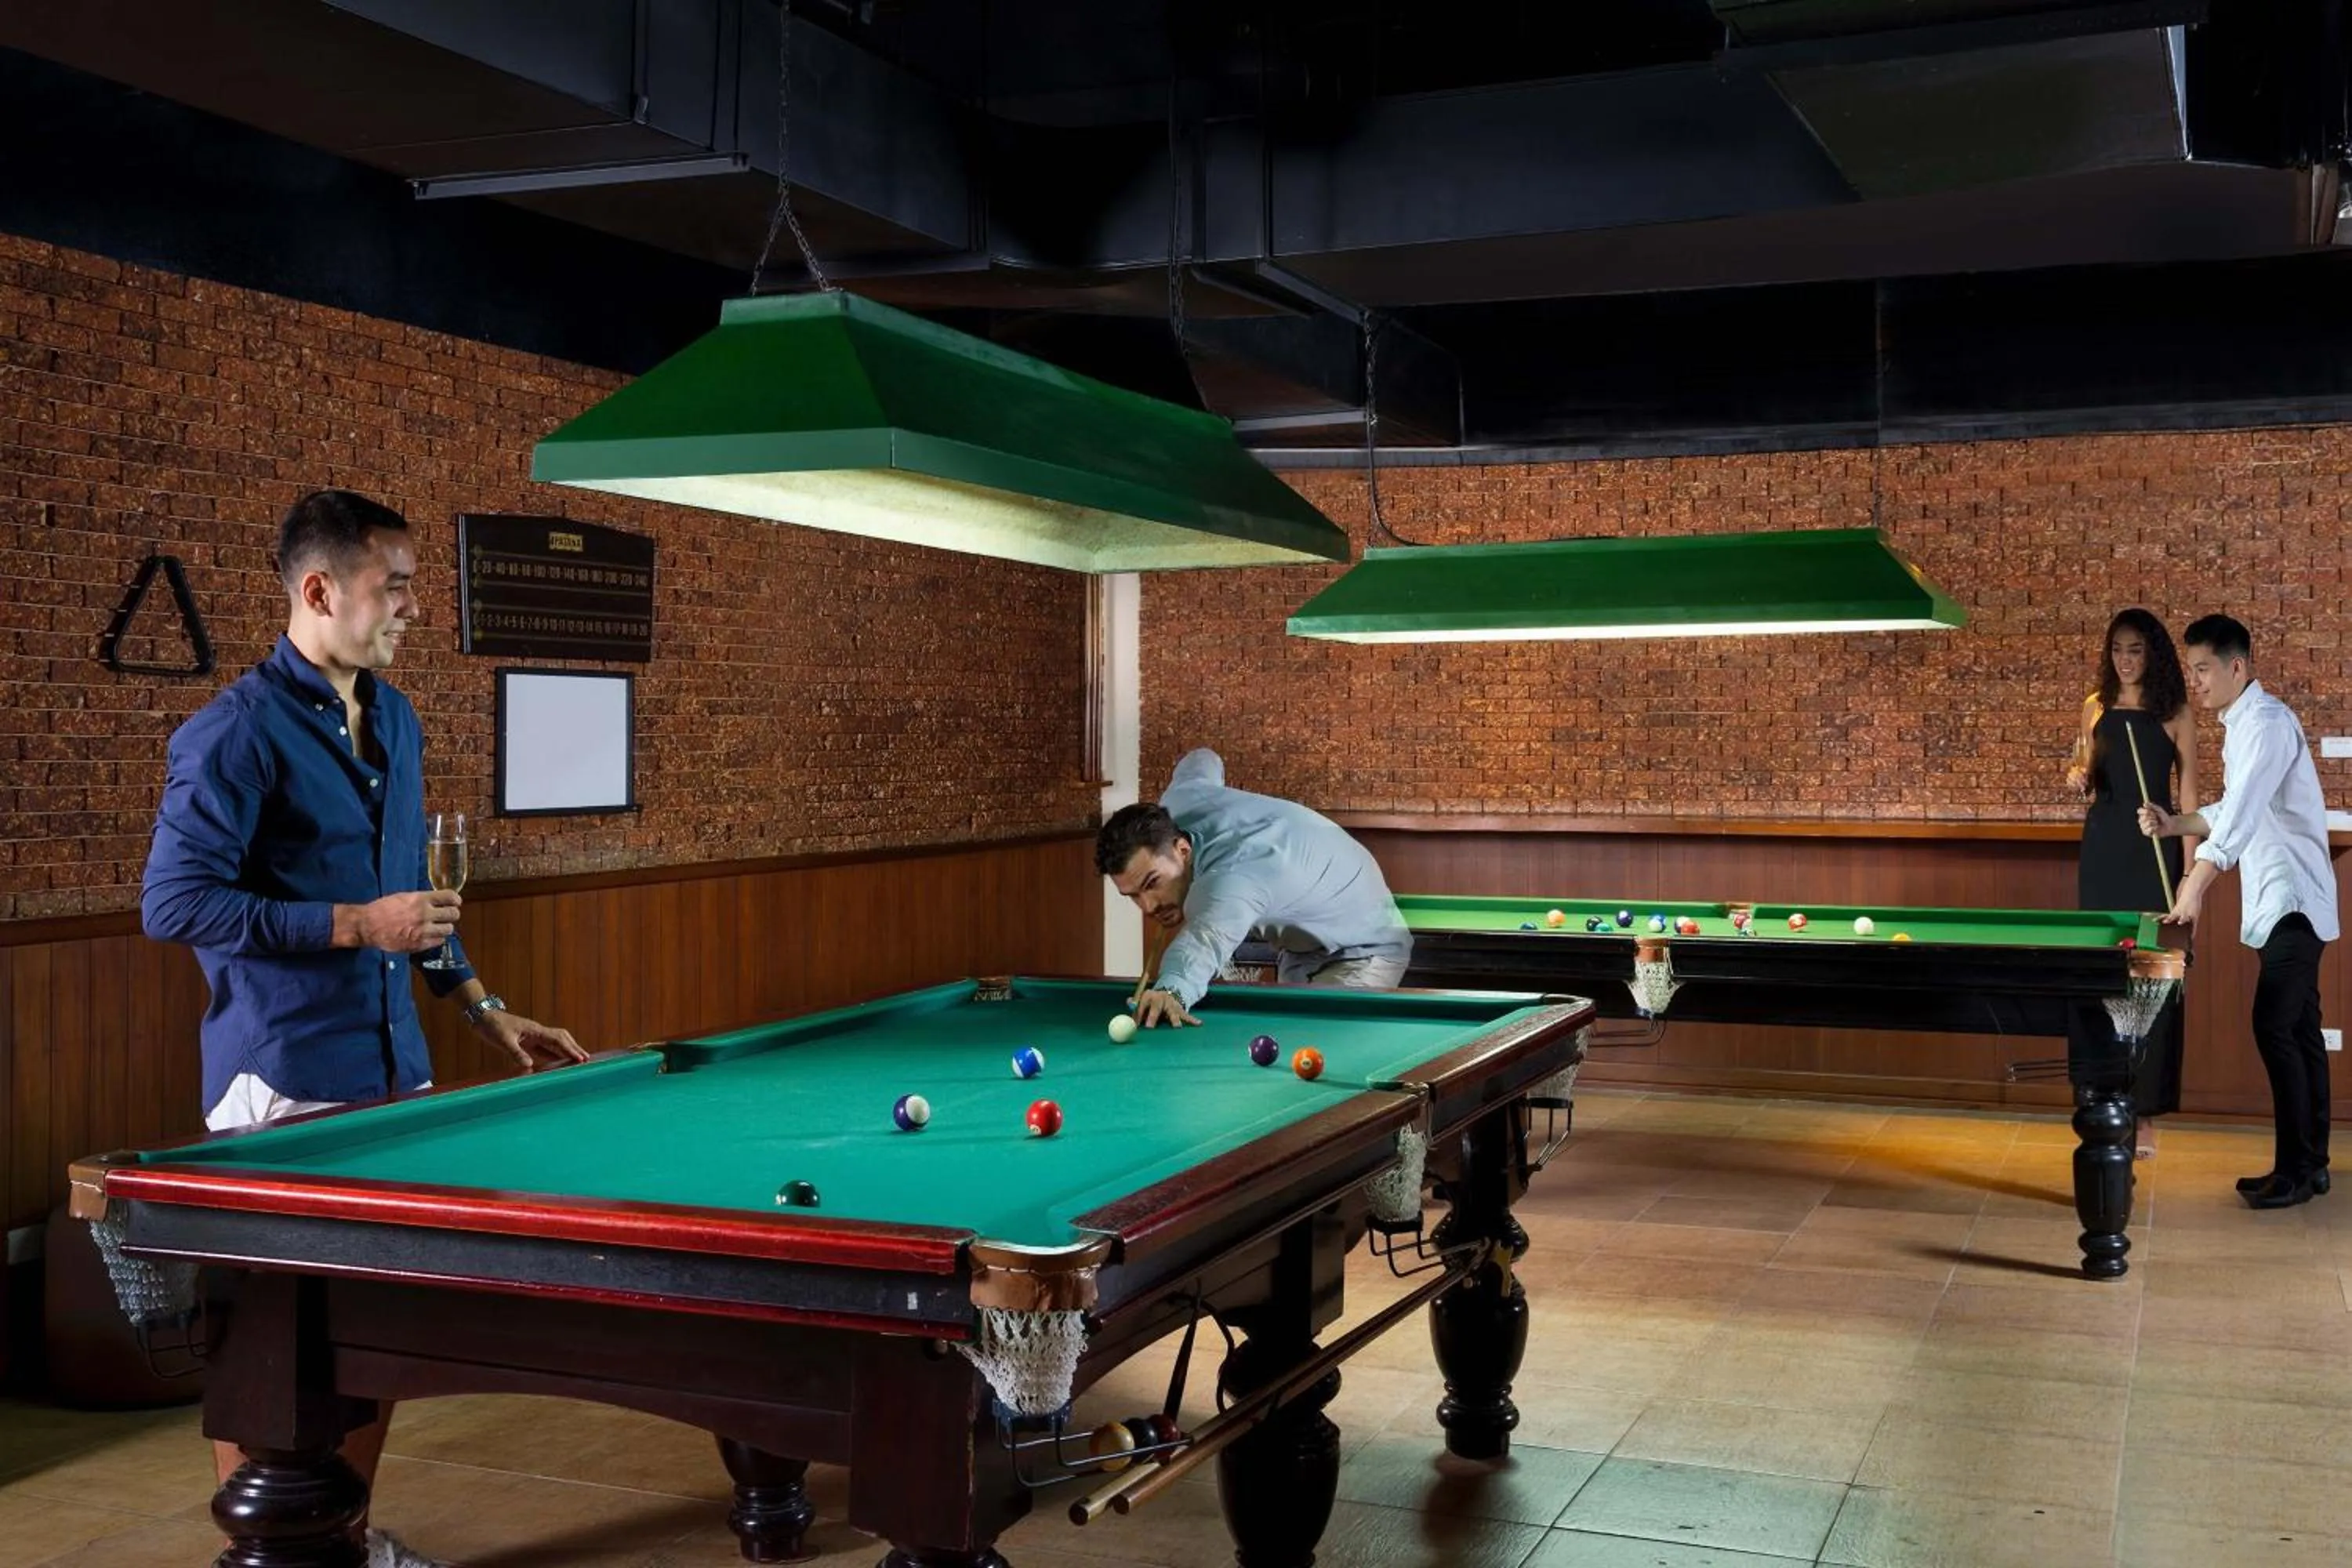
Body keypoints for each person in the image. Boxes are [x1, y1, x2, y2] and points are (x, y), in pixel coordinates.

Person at [143, 489, 588, 1568]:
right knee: (275, 1341)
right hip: (284, 1076)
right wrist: (352, 924)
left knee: (375, 1340)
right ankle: (268, 1549)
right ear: (318, 590)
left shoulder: (395, 718)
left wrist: (482, 1008)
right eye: (397, 587)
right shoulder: (232, 735)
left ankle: (340, 1534)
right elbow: (174, 903)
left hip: (399, 1071)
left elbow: (409, 901)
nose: (414, 608)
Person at [2138, 615, 2338, 1209]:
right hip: (2286, 902)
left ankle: (2296, 1171)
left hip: (2294, 903)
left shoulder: (2268, 724)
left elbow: (2245, 811)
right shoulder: (2246, 725)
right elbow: (2232, 808)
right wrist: (2177, 823)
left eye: (2202, 669)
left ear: (2236, 668)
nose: (2194, 682)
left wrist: (2195, 885)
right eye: (2191, 669)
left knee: (2276, 1027)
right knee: (2298, 1031)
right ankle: (2310, 1166)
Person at [1097, 748, 1411, 1028]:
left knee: (1315, 1054)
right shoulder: (1178, 803)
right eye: (1133, 895)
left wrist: (1171, 989)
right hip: (1304, 942)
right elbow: (1201, 759)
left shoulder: (1233, 878)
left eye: (1152, 883)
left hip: (1365, 946)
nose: (1148, 906)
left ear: (1182, 850)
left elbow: (1206, 938)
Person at [2063, 608, 2198, 1159]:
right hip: (2102, 851)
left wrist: (2189, 877)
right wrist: (2076, 778)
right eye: (2118, 648)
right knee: (2099, 975)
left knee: (2151, 982)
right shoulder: (2094, 707)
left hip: (2154, 851)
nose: (2126, 658)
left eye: (2137, 649)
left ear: (2154, 654)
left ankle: (2144, 1115)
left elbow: (2188, 799)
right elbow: (2088, 775)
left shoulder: (2175, 712)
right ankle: (2099, 1094)